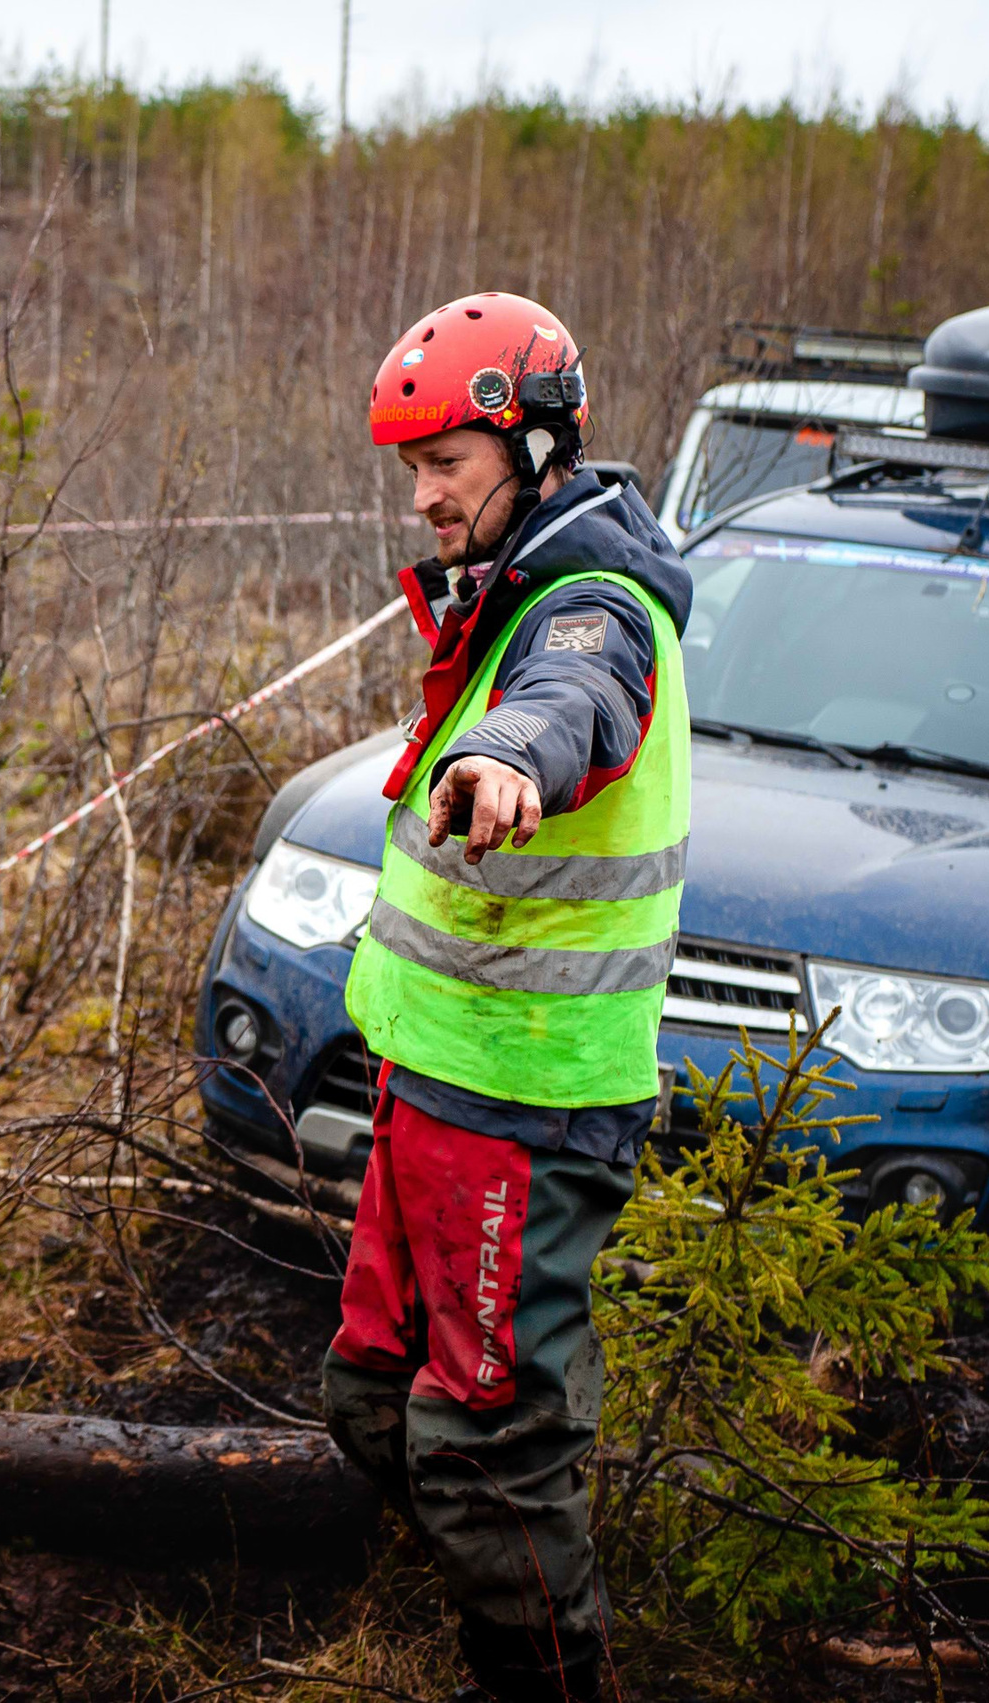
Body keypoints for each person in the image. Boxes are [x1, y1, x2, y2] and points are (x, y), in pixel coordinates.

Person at [324, 293, 693, 1703]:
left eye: (446, 464)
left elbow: (571, 694)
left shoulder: (592, 603)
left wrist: (509, 756)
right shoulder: (507, 583)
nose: (422, 496)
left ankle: (545, 1672)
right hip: (438, 1073)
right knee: (373, 1392)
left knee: (484, 1446)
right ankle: (459, 1619)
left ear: (537, 449)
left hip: (527, 1100)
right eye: (411, 468)